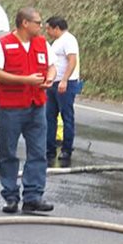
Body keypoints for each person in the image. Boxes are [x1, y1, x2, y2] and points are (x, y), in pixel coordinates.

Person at [0, 7, 55, 214]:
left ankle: (33, 196)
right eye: (38, 23)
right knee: (8, 152)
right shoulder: (2, 45)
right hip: (11, 108)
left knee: (38, 152)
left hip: (36, 106)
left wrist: (50, 77)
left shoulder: (41, 44)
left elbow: (51, 65)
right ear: (25, 23)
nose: (41, 26)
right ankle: (10, 196)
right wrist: (25, 80)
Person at [44, 15, 81, 166]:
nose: (47, 32)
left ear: (57, 28)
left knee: (67, 116)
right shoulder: (56, 42)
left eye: (49, 29)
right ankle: (49, 149)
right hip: (53, 82)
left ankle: (67, 149)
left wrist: (65, 79)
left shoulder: (68, 40)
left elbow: (72, 60)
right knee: (50, 116)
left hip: (65, 83)